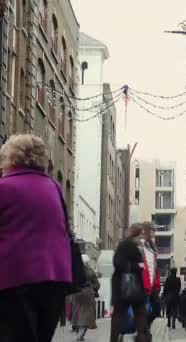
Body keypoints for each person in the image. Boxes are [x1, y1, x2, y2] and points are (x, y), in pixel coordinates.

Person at [0, 134, 72, 342]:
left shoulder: (4, 187)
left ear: (11, 158)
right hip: (55, 279)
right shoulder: (54, 188)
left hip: (15, 279)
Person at [110, 224, 151, 342]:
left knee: (127, 314)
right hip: (127, 285)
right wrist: (138, 266)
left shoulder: (130, 246)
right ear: (136, 234)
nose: (142, 237)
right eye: (141, 234)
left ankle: (139, 337)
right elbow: (118, 263)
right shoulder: (127, 245)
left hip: (127, 286)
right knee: (135, 313)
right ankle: (142, 338)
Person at [71, 256, 100, 341]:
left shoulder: (74, 270)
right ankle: (80, 335)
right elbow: (97, 284)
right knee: (88, 316)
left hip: (77, 294)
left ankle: (79, 334)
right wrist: (93, 289)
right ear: (87, 262)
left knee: (77, 315)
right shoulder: (90, 270)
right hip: (88, 294)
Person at [138, 222, 161, 327]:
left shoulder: (152, 246)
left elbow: (154, 266)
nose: (154, 232)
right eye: (152, 230)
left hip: (152, 285)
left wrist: (157, 283)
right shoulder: (140, 245)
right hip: (143, 284)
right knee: (145, 310)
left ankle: (144, 328)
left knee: (156, 310)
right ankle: (143, 330)